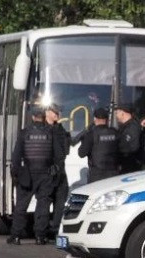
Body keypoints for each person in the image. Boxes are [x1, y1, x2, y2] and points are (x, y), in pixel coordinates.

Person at [8, 103, 66, 245]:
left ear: (33, 116)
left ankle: (16, 235)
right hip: (46, 174)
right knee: (43, 205)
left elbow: (16, 155)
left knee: (21, 205)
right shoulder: (50, 133)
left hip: (27, 173)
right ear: (43, 116)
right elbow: (59, 156)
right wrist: (55, 172)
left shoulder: (24, 133)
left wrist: (15, 173)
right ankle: (40, 236)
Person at [45, 104, 72, 242]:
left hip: (60, 169)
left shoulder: (60, 129)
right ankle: (42, 232)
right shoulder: (42, 129)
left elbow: (66, 150)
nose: (57, 115)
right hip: (47, 169)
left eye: (58, 112)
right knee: (44, 201)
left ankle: (55, 229)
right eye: (55, 112)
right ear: (48, 112)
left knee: (60, 200)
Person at [79, 107, 119, 183]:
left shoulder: (91, 134)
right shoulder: (115, 133)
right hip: (113, 174)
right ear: (107, 119)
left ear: (95, 119)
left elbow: (81, 153)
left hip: (97, 175)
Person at [113, 104, 142, 173]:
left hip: (131, 165)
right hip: (124, 163)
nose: (116, 116)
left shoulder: (132, 127)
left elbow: (133, 146)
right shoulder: (123, 127)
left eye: (117, 113)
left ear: (123, 113)